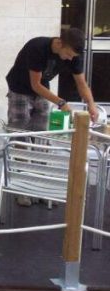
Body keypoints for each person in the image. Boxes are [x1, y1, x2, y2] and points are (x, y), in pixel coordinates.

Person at [5, 28, 99, 205]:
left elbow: (81, 83)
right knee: (20, 135)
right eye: (68, 54)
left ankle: (41, 185)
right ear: (59, 43)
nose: (70, 59)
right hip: (19, 89)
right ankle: (22, 187)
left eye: (73, 56)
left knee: (42, 136)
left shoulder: (74, 55)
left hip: (42, 91)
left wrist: (91, 105)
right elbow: (35, 84)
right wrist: (61, 103)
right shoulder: (37, 47)